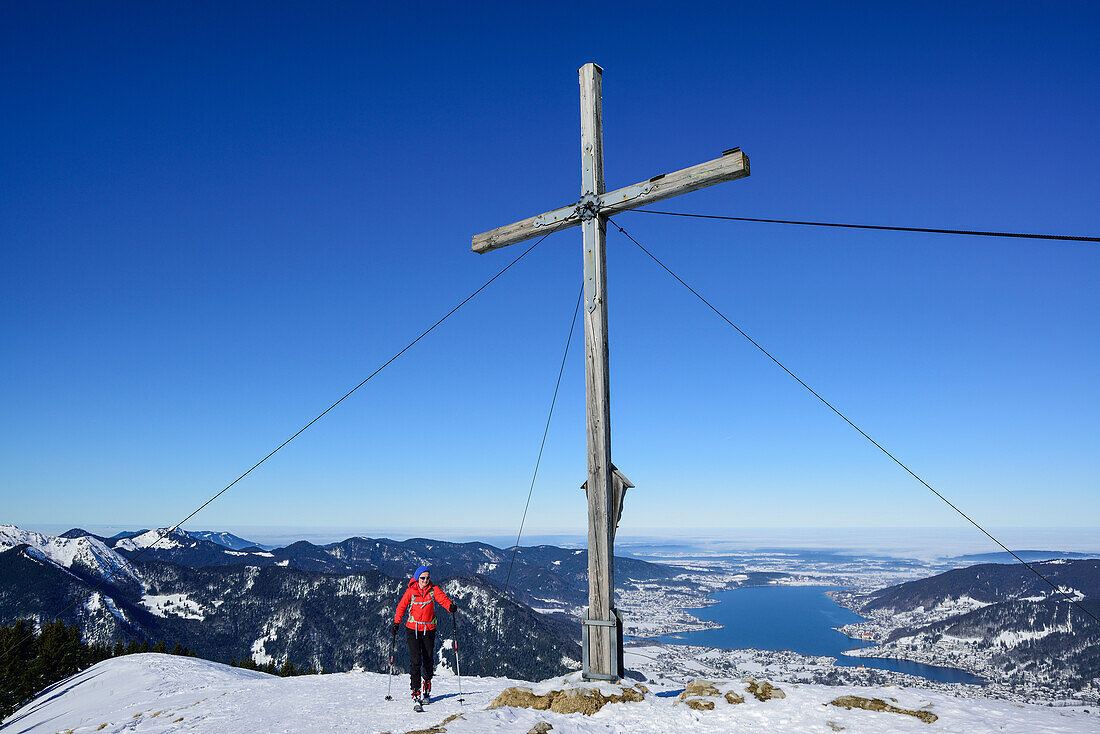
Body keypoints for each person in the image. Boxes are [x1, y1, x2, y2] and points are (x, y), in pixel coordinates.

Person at [392, 565, 455, 706]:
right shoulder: (411, 592)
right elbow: (401, 607)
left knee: (428, 659)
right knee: (415, 661)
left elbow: (443, 599)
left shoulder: (434, 590)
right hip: (412, 629)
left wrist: (450, 606)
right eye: (422, 578)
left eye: (427, 578)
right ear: (417, 578)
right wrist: (396, 623)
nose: (425, 580)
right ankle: (415, 691)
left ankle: (427, 685)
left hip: (429, 629)